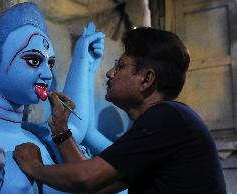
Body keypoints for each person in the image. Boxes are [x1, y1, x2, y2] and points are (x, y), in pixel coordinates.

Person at [13, 27, 227, 194]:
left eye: (120, 65)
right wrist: (61, 129)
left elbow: (86, 178)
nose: (109, 72)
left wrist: (34, 167)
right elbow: (96, 187)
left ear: (147, 79)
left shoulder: (168, 118)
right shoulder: (162, 124)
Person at [0, 2, 104, 194]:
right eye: (33, 61)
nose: (48, 75)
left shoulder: (40, 137)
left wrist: (83, 60)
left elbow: (74, 128)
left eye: (50, 64)